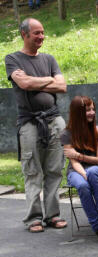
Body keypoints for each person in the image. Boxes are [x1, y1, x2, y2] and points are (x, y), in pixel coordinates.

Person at [5, 18, 67, 233]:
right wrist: (48, 80)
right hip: (29, 123)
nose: (41, 36)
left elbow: (63, 86)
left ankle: (52, 215)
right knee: (32, 171)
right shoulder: (12, 59)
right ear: (24, 34)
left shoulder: (49, 58)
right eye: (36, 33)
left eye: (43, 32)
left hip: (55, 120)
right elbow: (23, 84)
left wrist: (34, 81)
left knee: (55, 169)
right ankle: (33, 218)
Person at [61, 95, 98, 245]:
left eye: (93, 109)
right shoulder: (66, 134)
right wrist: (82, 173)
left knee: (94, 171)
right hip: (75, 171)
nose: (92, 112)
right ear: (77, 112)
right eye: (88, 110)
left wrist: (78, 155)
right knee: (82, 185)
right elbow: (73, 162)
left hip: (94, 170)